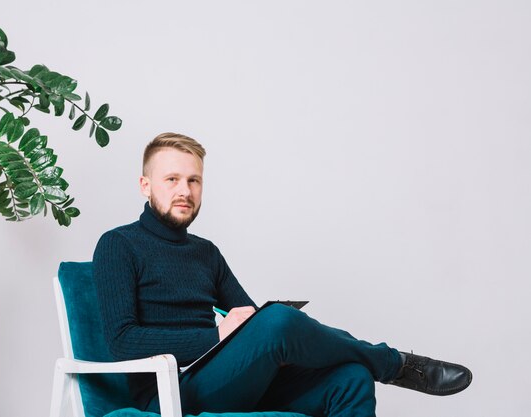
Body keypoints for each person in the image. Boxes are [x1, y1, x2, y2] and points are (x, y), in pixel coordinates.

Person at [93, 132, 472, 417]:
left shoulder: (205, 252)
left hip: (229, 378)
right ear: (146, 186)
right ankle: (395, 365)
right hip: (170, 392)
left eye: (194, 181)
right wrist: (219, 334)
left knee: (352, 378)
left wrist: (271, 338)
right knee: (278, 322)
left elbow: (253, 321)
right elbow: (123, 341)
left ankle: (377, 364)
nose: (185, 191)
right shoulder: (118, 245)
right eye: (172, 179)